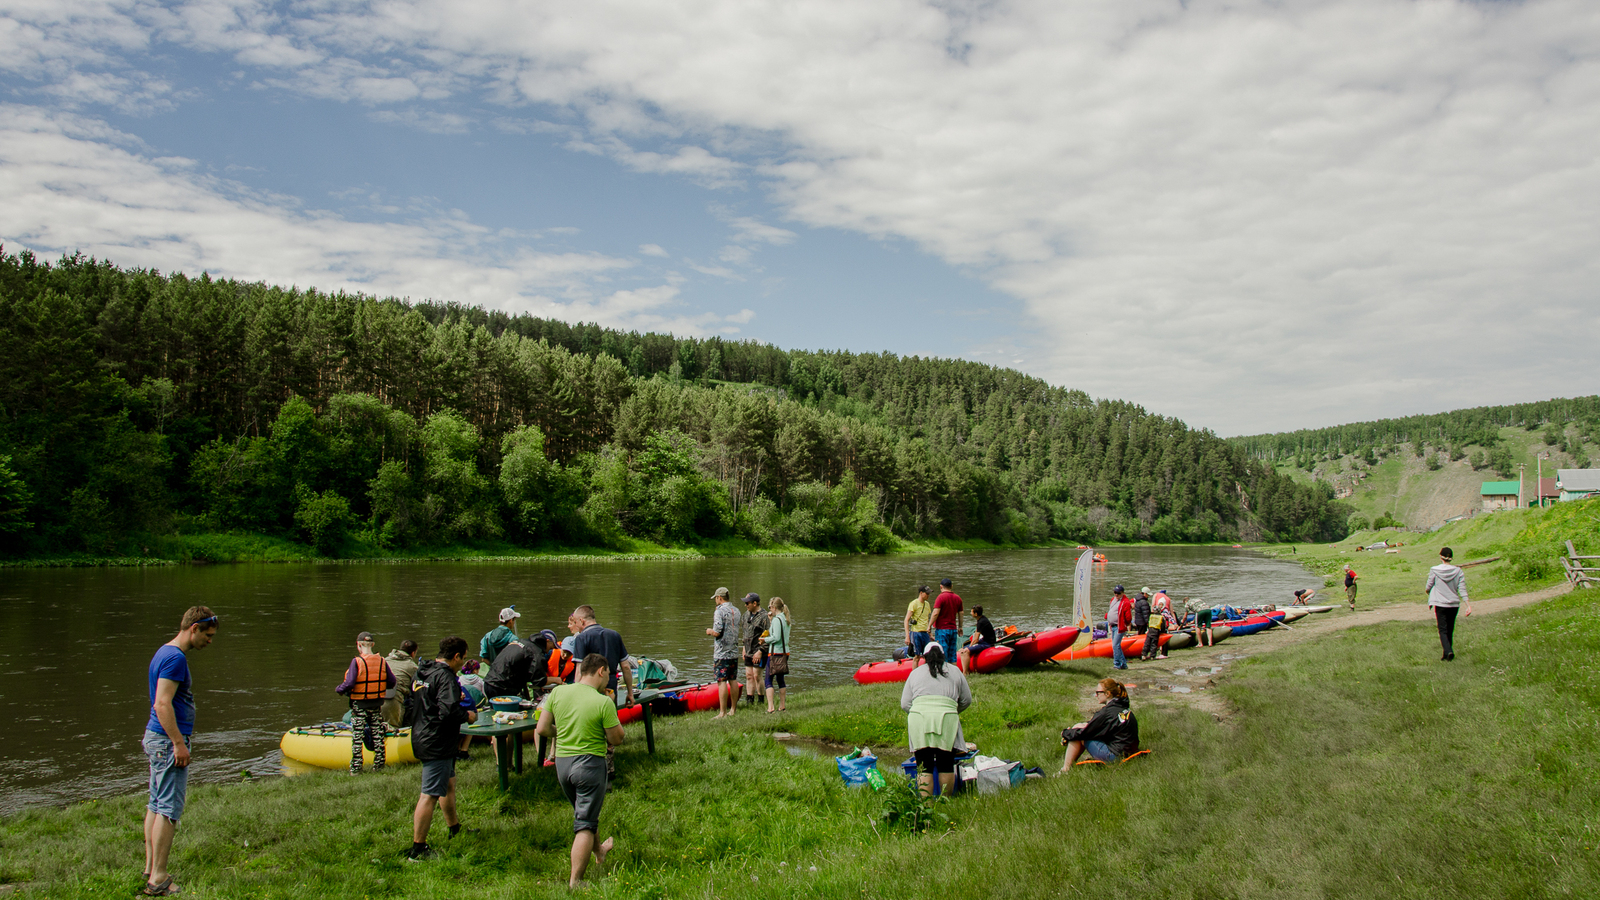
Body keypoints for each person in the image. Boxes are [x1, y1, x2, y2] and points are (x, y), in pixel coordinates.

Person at [141, 606, 219, 897]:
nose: (209, 641)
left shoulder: (164, 651)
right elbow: (162, 704)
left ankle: (151, 868)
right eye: (208, 635)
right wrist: (178, 743)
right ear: (194, 628)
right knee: (169, 810)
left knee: (155, 804)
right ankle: (159, 878)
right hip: (166, 741)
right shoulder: (175, 659)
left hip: (156, 738)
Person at [536, 653, 624, 888]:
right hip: (589, 765)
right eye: (608, 674)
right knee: (584, 824)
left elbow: (542, 728)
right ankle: (576, 881)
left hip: (563, 765)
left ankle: (600, 851)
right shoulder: (603, 701)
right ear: (601, 672)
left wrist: (563, 733)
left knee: (584, 811)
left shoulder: (557, 692)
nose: (608, 679)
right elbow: (616, 738)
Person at [407, 636, 477, 861]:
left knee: (448, 784)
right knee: (429, 795)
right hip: (435, 741)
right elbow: (448, 712)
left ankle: (454, 828)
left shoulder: (424, 671)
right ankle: (418, 850)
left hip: (423, 734)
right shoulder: (446, 677)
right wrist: (468, 715)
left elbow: (425, 700)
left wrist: (454, 697)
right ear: (456, 656)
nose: (462, 664)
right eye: (463, 659)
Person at [900, 643, 971, 797]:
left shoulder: (915, 673)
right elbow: (966, 700)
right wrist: (952, 710)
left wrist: (918, 712)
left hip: (919, 718)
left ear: (924, 657)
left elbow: (905, 704)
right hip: (947, 719)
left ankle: (926, 806)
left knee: (924, 766)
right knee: (945, 764)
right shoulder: (955, 671)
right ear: (943, 655)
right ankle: (945, 802)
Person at [335, 631, 395, 775]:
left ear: (359, 645)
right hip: (376, 704)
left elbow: (349, 683)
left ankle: (356, 769)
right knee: (377, 734)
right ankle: (379, 765)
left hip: (360, 705)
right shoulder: (382, 661)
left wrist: (339, 689)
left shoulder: (357, 662)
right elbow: (392, 682)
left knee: (357, 737)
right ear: (373, 645)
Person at [1059, 678, 1139, 771]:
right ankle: (1066, 768)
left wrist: (1066, 733)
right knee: (1080, 726)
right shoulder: (1122, 707)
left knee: (1079, 735)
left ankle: (1065, 769)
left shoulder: (1107, 712)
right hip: (1129, 752)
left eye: (1098, 692)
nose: (1096, 695)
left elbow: (1085, 733)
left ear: (1108, 694)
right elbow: (1094, 727)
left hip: (1115, 756)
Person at [570, 607, 635, 706]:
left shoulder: (581, 638)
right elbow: (626, 667)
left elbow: (579, 670)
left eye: (575, 622)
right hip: (611, 684)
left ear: (581, 621)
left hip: (591, 686)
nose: (575, 625)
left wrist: (576, 695)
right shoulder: (614, 635)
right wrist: (630, 693)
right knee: (610, 716)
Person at [1426, 546, 1472, 661]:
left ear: (1441, 557)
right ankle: (1446, 654)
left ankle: (1448, 651)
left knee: (1442, 629)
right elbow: (1462, 589)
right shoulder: (1458, 571)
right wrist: (1468, 605)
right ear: (1451, 558)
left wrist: (1428, 591)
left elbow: (1429, 585)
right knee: (1450, 629)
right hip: (1454, 604)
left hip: (1441, 604)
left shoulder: (1434, 570)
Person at [484, 630, 553, 701]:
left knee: (496, 711)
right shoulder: (536, 652)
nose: (548, 651)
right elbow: (540, 680)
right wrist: (557, 680)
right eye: (550, 648)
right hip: (501, 688)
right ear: (547, 641)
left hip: (488, 682)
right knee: (506, 712)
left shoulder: (521, 641)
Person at [705, 587, 742, 719]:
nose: (715, 600)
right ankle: (733, 710)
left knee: (721, 682)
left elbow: (717, 632)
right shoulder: (737, 611)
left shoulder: (719, 611)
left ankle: (722, 713)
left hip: (721, 653)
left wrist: (709, 631)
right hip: (734, 652)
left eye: (715, 598)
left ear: (719, 598)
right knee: (733, 680)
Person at [382, 640, 420, 728]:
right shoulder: (412, 666)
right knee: (393, 728)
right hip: (393, 701)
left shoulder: (384, 660)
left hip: (375, 699)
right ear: (413, 653)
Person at [763, 597, 791, 713]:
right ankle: (782, 705)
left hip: (775, 653)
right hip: (785, 652)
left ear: (774, 608)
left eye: (770, 607)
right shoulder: (786, 619)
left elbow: (776, 637)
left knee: (768, 680)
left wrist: (764, 640)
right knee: (780, 678)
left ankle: (770, 707)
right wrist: (770, 621)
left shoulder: (776, 620)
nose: (769, 609)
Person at [741, 593, 770, 708]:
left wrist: (761, 651)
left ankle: (761, 699)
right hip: (748, 650)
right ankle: (749, 700)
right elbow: (744, 633)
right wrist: (743, 648)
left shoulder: (764, 616)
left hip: (759, 651)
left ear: (754, 603)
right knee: (749, 675)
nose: (745, 605)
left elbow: (768, 635)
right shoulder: (745, 616)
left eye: (747, 603)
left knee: (757, 675)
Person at [957, 606, 997, 673]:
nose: (970, 613)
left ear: (976, 614)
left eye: (971, 612)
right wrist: (969, 645)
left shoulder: (981, 622)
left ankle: (965, 672)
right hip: (985, 640)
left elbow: (976, 640)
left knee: (965, 651)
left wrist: (969, 647)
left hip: (988, 643)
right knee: (963, 648)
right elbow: (976, 633)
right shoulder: (981, 619)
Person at [931, 578, 964, 660]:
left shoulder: (940, 597)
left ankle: (943, 672)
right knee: (952, 655)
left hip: (942, 629)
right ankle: (953, 672)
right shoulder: (957, 598)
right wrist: (960, 626)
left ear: (941, 587)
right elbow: (961, 613)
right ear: (951, 586)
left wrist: (929, 626)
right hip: (953, 629)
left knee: (942, 654)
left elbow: (935, 613)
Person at [903, 585, 933, 659]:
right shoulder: (914, 604)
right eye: (927, 594)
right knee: (917, 656)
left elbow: (927, 619)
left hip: (925, 633)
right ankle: (915, 670)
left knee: (928, 655)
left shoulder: (927, 604)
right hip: (916, 633)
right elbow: (906, 620)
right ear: (921, 593)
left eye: (929, 594)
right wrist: (907, 636)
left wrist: (930, 633)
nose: (928, 595)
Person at [1108, 586, 1133, 670]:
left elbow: (1128, 616)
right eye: (1115, 592)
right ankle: (1123, 664)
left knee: (1115, 645)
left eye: (1118, 593)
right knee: (1116, 646)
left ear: (1122, 593)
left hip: (1120, 626)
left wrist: (1127, 623)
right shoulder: (1113, 600)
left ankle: (1117, 664)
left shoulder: (1125, 602)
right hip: (1113, 625)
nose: (1116, 594)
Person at [1132, 590, 1152, 659]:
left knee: (1139, 635)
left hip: (1138, 621)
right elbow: (1146, 614)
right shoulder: (1144, 602)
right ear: (1145, 594)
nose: (1148, 596)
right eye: (1148, 595)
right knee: (1142, 638)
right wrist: (1148, 623)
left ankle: (1139, 652)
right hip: (1142, 622)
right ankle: (1142, 652)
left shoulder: (1137, 600)